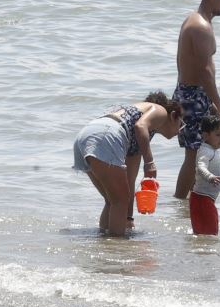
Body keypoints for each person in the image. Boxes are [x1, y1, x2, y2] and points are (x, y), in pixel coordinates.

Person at [71, 92, 180, 237]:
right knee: (119, 201)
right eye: (181, 123)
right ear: (173, 115)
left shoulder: (141, 138)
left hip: (85, 136)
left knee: (113, 200)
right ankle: (116, 247)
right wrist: (150, 163)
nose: (180, 131)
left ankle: (104, 241)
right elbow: (140, 126)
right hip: (106, 135)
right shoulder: (160, 111)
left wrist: (128, 219)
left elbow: (129, 181)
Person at [173, 0, 220, 200]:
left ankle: (187, 203)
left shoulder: (196, 20)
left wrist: (206, 98)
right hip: (192, 95)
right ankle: (181, 206)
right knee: (193, 157)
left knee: (194, 155)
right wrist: (219, 105)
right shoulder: (200, 26)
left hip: (192, 93)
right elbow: (205, 71)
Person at [188, 114, 220, 236]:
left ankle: (200, 251)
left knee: (203, 233)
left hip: (203, 198)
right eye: (218, 135)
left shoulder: (211, 150)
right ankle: (204, 252)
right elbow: (200, 167)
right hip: (202, 199)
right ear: (205, 136)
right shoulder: (205, 151)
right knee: (210, 233)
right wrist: (210, 177)